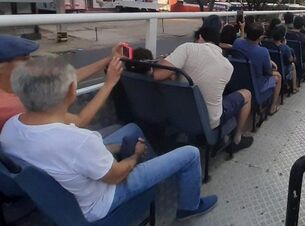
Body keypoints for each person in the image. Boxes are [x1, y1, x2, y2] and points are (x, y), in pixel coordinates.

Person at [1, 56, 218, 222]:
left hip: (64, 190)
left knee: (131, 128)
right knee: (191, 153)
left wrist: (110, 148)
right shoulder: (80, 141)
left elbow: (72, 138)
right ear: (71, 92)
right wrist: (134, 156)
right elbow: (116, 176)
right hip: (101, 200)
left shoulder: (10, 128)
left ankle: (153, 170)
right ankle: (189, 206)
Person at [154, 16, 254, 152]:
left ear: (199, 37)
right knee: (246, 94)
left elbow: (157, 74)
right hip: (210, 122)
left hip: (177, 116)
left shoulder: (187, 49)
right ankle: (237, 138)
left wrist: (165, 60)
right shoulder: (227, 66)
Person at [0, 35, 127, 131]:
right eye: (24, 59)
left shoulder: (15, 91)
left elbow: (63, 78)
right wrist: (109, 84)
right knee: (129, 129)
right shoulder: (14, 106)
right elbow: (80, 121)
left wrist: (109, 60)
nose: (32, 61)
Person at [233, 22, 282, 115]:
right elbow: (268, 72)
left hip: (238, 81)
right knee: (278, 76)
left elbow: (242, 41)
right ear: (260, 37)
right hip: (256, 85)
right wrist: (274, 71)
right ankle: (273, 107)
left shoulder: (237, 43)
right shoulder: (263, 52)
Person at [272, 25, 299, 93]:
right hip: (282, 70)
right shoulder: (285, 48)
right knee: (292, 65)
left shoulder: (267, 44)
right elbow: (290, 60)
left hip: (271, 68)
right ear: (283, 36)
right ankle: (294, 87)